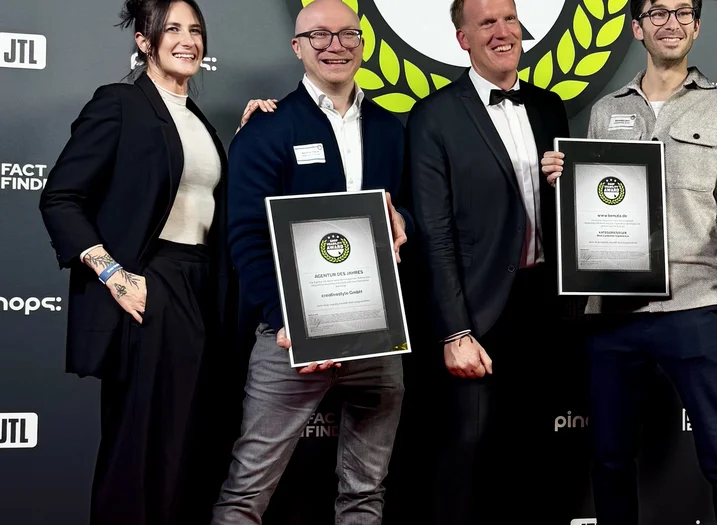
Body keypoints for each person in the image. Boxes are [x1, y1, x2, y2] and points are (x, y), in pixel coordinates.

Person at [36, 0, 276, 522]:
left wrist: (248, 136)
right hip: (151, 286)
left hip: (202, 290)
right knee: (139, 451)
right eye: (172, 29)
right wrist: (112, 274)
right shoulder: (120, 103)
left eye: (195, 30)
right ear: (145, 41)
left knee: (187, 450)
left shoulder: (199, 121)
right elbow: (60, 197)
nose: (188, 39)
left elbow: (200, 196)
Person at [540, 1, 717, 523]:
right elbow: (590, 205)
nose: (672, 22)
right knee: (610, 460)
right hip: (614, 311)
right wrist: (563, 179)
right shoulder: (604, 110)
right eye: (658, 12)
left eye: (683, 12)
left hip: (696, 303)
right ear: (637, 27)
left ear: (697, 26)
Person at [209, 0, 412, 523]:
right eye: (319, 35)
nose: (335, 46)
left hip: (376, 335)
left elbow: (404, 211)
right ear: (297, 47)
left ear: (363, 44)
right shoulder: (267, 129)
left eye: (347, 34)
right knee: (246, 489)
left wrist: (402, 219)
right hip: (289, 339)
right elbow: (247, 238)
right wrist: (284, 320)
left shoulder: (393, 130)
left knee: (366, 492)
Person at [406, 0, 570, 523]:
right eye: (486, 23)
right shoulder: (434, 115)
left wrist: (566, 187)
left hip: (543, 304)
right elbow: (434, 232)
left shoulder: (548, 107)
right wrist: (455, 331)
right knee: (467, 458)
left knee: (535, 456)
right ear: (462, 40)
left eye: (509, 19)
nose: (502, 32)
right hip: (477, 311)